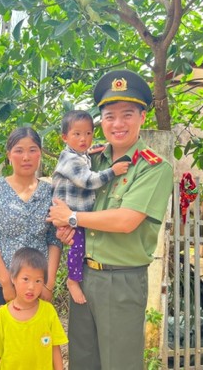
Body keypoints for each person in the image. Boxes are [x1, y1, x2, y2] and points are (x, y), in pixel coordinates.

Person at [47, 69, 173, 370]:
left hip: (122, 280)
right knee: (83, 360)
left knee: (119, 364)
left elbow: (126, 220)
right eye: (109, 115)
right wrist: (68, 228)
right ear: (100, 120)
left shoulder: (153, 167)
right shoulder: (91, 160)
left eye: (127, 114)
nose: (118, 124)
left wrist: (74, 218)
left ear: (142, 117)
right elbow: (70, 205)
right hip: (83, 275)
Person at [0, 126, 62, 370]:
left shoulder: (51, 192)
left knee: (33, 353)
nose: (26, 157)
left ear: (40, 154)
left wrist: (49, 284)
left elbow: (54, 240)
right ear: (9, 154)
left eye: (32, 150)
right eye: (19, 150)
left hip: (36, 287)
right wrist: (6, 282)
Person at [52, 109, 129, 304]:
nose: (83, 139)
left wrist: (97, 148)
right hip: (68, 213)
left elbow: (88, 154)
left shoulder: (81, 154)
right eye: (76, 134)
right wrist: (112, 171)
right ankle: (72, 280)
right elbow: (87, 180)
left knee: (82, 245)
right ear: (65, 137)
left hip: (76, 213)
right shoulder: (69, 160)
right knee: (78, 246)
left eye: (88, 133)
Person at [0, 247, 68, 370]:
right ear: (13, 278)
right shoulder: (2, 315)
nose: (31, 287)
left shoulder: (48, 311)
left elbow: (55, 347)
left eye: (38, 281)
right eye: (25, 279)